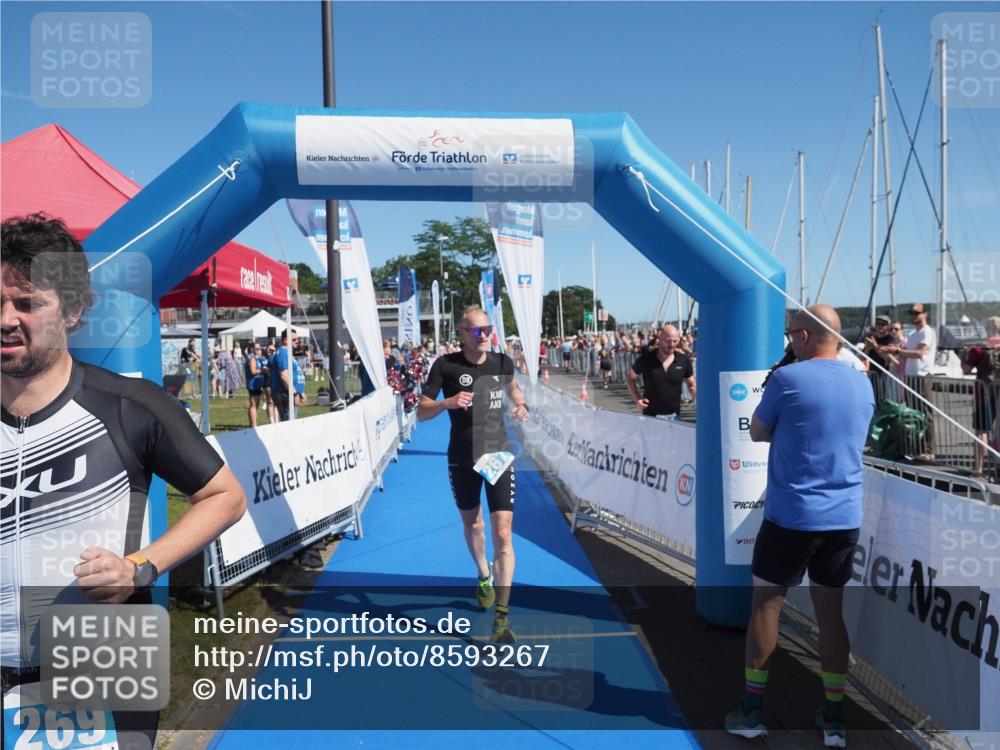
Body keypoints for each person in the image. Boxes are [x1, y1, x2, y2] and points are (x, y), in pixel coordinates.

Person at [0, 214, 246, 750]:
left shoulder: (131, 405)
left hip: (104, 659)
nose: (5, 319)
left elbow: (225, 495)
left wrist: (139, 568)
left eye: (26, 303)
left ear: (73, 312)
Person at [725, 304, 874, 749]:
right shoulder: (862, 381)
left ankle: (751, 712)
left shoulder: (788, 379)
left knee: (766, 608)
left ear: (805, 337)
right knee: (831, 617)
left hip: (791, 516)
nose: (789, 341)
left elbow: (756, 431)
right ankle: (832, 720)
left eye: (791, 334)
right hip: (844, 517)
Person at [417, 307, 529, 643]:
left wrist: (521, 406)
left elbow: (514, 392)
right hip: (462, 457)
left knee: (504, 532)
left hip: (496, 453)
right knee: (474, 524)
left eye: (488, 330)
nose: (484, 336)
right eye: (477, 331)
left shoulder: (501, 363)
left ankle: (502, 617)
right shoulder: (446, 365)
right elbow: (421, 411)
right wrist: (446, 403)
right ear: (463, 333)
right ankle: (483, 574)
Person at [882, 303, 937, 459]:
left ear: (925, 314)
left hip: (923, 375)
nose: (913, 316)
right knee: (915, 414)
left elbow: (920, 353)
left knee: (925, 413)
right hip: (911, 376)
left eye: (916, 313)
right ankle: (918, 448)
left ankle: (929, 449)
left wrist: (897, 350)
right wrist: (892, 352)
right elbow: (905, 356)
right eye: (911, 313)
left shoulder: (926, 332)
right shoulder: (913, 333)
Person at [626, 324, 696, 418]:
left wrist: (693, 389)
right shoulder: (646, 359)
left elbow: (691, 382)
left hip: (674, 417)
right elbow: (630, 378)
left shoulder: (683, 360)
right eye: (668, 341)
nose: (671, 345)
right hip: (651, 416)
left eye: (675, 341)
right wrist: (637, 399)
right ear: (660, 339)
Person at [962, 316, 1000, 477]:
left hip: (983, 393)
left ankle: (978, 468)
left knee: (981, 430)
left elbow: (966, 370)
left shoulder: (979, 347)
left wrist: (963, 356)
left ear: (988, 328)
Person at [270, 330, 305, 421]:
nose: (297, 341)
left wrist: (300, 392)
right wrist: (294, 393)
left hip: (288, 393)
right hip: (285, 394)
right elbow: (284, 375)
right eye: (294, 339)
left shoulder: (287, 353)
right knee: (289, 424)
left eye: (297, 339)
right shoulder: (283, 353)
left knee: (291, 422)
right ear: (286, 340)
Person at [244, 342, 267, 427]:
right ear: (252, 349)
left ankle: (252, 424)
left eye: (260, 349)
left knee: (255, 405)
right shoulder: (251, 358)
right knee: (254, 405)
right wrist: (263, 371)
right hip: (253, 384)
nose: (259, 350)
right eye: (257, 349)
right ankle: (253, 425)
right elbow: (253, 371)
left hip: (256, 383)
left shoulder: (253, 358)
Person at [262, 343, 279, 424]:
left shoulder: (276, 358)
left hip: (275, 382)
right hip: (267, 382)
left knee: (276, 402)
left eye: (272, 350)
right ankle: (272, 422)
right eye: (269, 349)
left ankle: (277, 421)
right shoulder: (263, 359)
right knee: (270, 402)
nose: (270, 351)